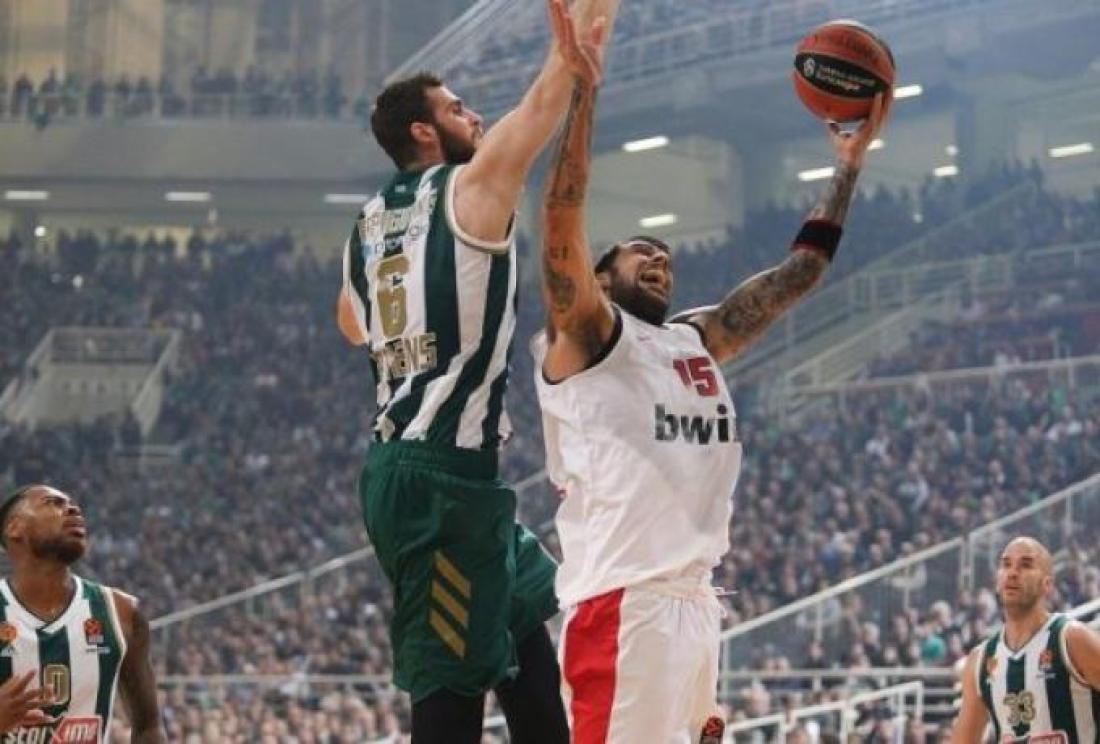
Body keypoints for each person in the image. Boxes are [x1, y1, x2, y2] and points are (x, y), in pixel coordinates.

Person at [531, 38, 891, 741]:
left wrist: (848, 166)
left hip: (694, 603)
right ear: (598, 277)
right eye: (641, 252)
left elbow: (798, 274)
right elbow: (561, 216)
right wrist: (585, 94)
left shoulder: (696, 337)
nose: (659, 258)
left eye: (666, 254)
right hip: (624, 601)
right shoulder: (586, 335)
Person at [335, 1, 617, 742]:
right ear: (424, 132)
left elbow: (351, 321)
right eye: (458, 108)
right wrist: (588, 30)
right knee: (450, 683)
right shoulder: (470, 186)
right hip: (437, 478)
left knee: (524, 631)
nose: (476, 116)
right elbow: (546, 99)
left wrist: (411, 335)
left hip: (430, 470)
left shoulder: (366, 223)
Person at [0, 484, 164, 743]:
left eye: (72, 504)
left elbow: (149, 728)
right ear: (14, 528)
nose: (73, 510)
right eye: (53, 503)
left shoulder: (120, 612)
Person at [953, 537, 1100, 743]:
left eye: (1026, 565)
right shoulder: (980, 660)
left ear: (1047, 585)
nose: (1012, 573)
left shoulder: (1072, 639)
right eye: (1006, 564)